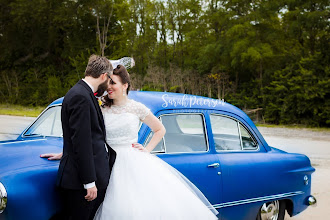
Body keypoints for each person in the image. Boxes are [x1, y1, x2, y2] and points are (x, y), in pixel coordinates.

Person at [43, 64, 218, 219]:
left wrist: (146, 150)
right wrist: (65, 154)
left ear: (125, 85)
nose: (108, 87)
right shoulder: (101, 109)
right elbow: (87, 137)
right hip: (104, 163)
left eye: (113, 83)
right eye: (108, 82)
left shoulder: (136, 108)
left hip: (131, 163)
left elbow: (160, 129)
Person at [42, 55, 117, 220]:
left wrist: (65, 152)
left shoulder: (82, 93)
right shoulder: (81, 96)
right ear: (104, 76)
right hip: (80, 184)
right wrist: (89, 182)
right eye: (109, 78)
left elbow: (79, 136)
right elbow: (81, 142)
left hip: (81, 180)